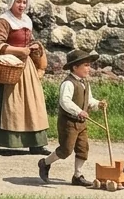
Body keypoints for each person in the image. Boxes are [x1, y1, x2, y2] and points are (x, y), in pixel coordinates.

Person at [0, 0, 49, 154]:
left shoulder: (27, 21)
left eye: (24, 2)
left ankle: (35, 143)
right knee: (7, 104)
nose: (22, 6)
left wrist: (34, 46)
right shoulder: (3, 21)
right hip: (7, 66)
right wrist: (18, 51)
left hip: (26, 67)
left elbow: (28, 40)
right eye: (18, 2)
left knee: (32, 103)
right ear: (11, 2)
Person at [38, 48, 106, 186]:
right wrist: (78, 111)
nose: (89, 68)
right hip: (68, 123)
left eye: (89, 65)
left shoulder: (85, 83)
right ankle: (44, 163)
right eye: (86, 65)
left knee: (83, 148)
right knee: (66, 150)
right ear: (75, 67)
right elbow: (65, 101)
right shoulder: (68, 83)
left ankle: (77, 175)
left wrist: (98, 104)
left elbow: (89, 100)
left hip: (81, 123)